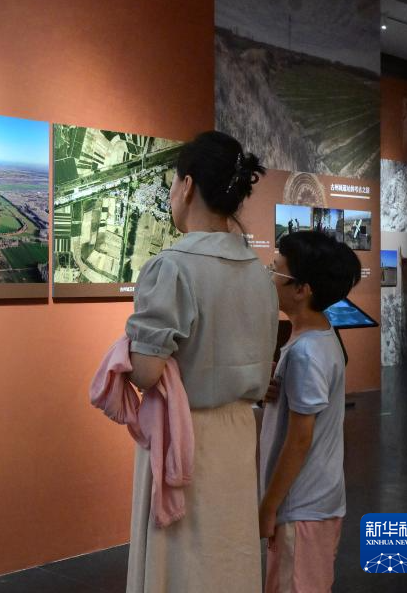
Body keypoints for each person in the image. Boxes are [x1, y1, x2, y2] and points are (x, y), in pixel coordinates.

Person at [125, 130, 279, 592]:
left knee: (182, 566)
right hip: (238, 433)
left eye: (174, 182)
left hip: (184, 434)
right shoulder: (259, 273)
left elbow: (146, 371)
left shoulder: (172, 267)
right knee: (228, 556)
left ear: (187, 185)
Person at [260, 230, 361, 592]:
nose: (269, 277)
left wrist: (269, 505)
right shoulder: (317, 336)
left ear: (301, 289)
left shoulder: (306, 353)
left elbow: (300, 439)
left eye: (276, 270)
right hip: (314, 502)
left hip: (300, 507)